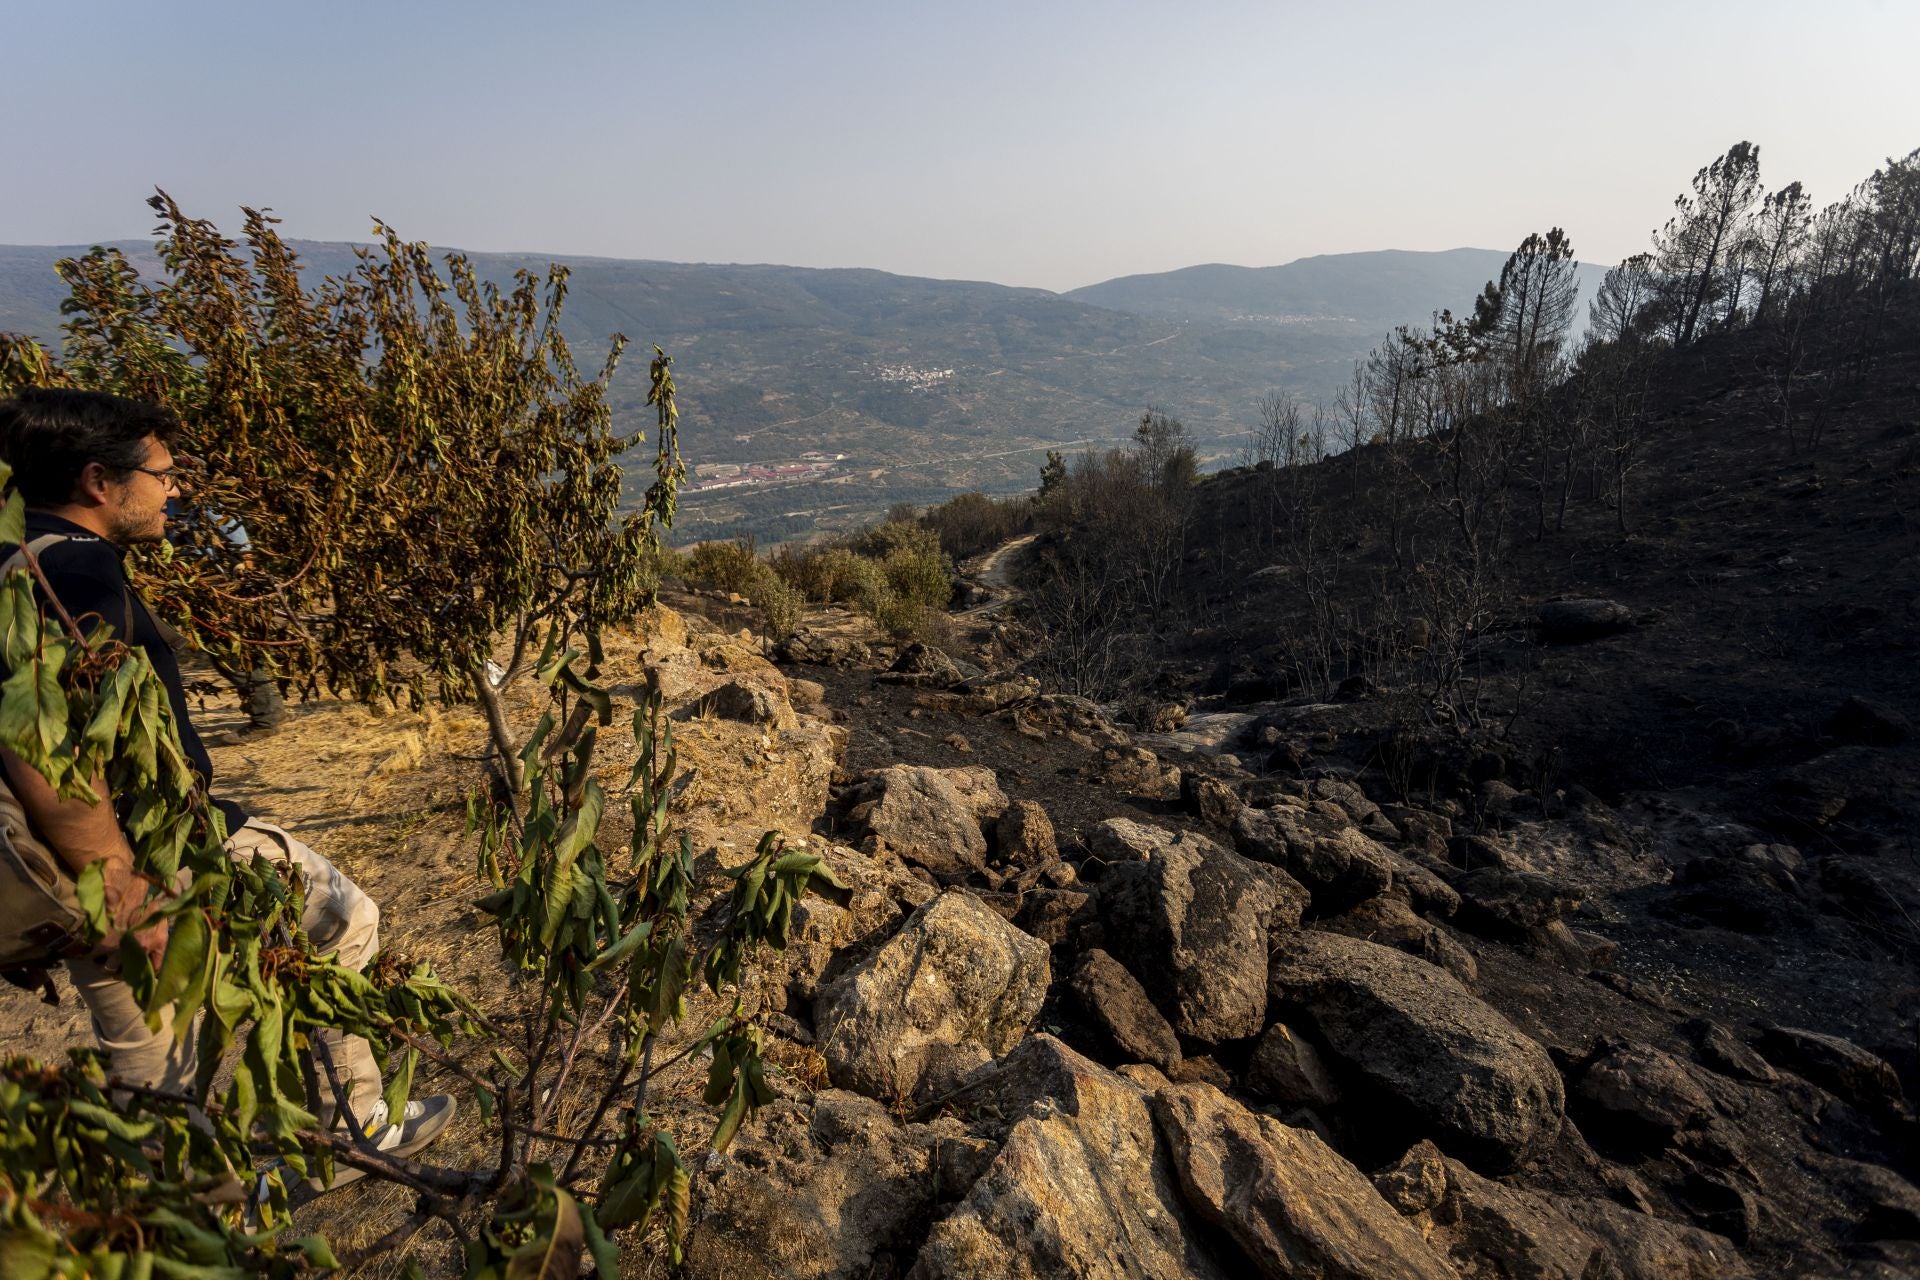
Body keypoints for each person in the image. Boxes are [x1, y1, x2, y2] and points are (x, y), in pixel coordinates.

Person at [0, 388, 451, 1179]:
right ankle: (351, 1130)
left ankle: (182, 1214)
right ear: (100, 482)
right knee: (339, 922)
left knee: (156, 1064)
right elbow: (48, 751)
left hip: (83, 869)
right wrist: (117, 880)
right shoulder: (76, 577)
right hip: (148, 859)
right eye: (162, 474)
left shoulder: (17, 562)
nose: (173, 489)